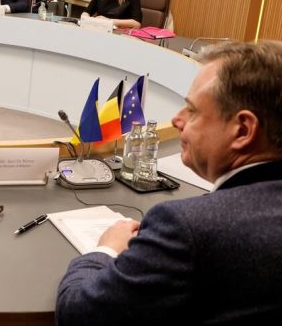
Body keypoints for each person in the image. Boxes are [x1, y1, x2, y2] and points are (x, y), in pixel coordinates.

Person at [56, 40, 282, 325]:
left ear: (243, 130)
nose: (177, 120)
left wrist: (106, 249)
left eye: (193, 111)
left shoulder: (186, 228)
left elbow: (78, 314)